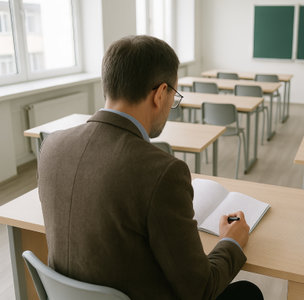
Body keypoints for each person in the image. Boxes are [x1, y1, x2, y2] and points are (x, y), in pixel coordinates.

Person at [38, 35, 263, 300]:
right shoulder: (162, 172)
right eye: (173, 96)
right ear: (159, 94)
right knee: (248, 292)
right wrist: (231, 241)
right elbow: (201, 290)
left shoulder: (51, 146)